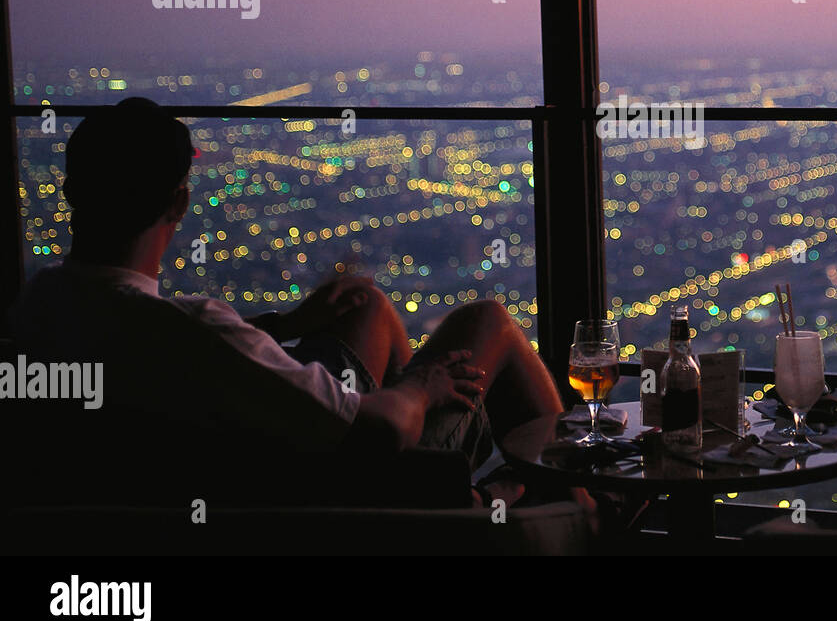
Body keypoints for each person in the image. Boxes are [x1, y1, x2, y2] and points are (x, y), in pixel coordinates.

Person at [9, 98, 573, 511]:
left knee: (367, 306)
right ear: (180, 202)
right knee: (490, 323)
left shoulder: (42, 302)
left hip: (229, 471)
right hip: (340, 482)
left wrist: (284, 325)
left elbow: (167, 354)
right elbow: (374, 432)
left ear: (72, 193)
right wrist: (421, 387)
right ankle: (581, 504)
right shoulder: (199, 332)